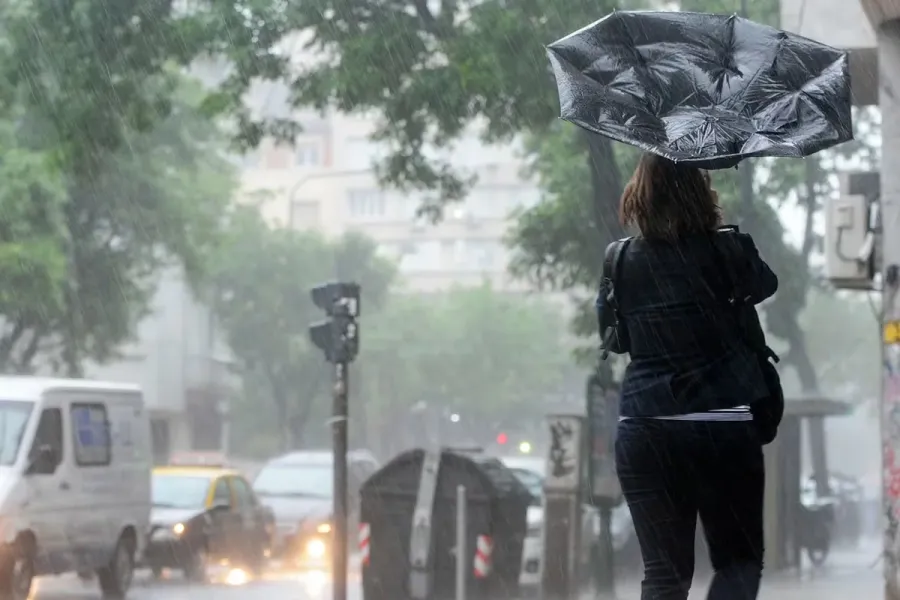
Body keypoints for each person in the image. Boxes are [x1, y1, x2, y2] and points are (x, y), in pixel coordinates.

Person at [597, 153, 778, 600]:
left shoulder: (620, 259)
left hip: (646, 425)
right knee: (738, 562)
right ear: (700, 193)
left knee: (664, 574)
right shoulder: (727, 250)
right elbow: (766, 284)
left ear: (640, 195)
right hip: (721, 423)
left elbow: (614, 339)